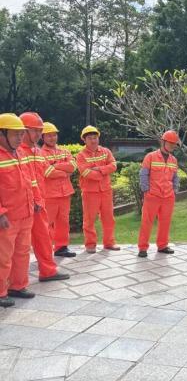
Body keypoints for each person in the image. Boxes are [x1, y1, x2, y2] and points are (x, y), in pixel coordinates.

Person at [19, 112, 70, 283]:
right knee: (18, 246)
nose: (38, 134)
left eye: (40, 131)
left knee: (44, 238)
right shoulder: (17, 152)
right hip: (22, 206)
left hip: (39, 204)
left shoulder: (37, 152)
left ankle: (48, 271)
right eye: (35, 130)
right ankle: (13, 283)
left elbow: (41, 178)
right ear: (23, 130)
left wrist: (39, 200)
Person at [0, 114, 38, 307]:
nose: (19, 138)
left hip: (25, 213)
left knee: (22, 252)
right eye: (15, 134)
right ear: (2, 134)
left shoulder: (21, 153)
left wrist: (36, 200)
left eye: (21, 134)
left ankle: (18, 286)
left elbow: (30, 180)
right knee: (3, 256)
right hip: (7, 217)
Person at [76, 125, 119, 253]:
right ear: (84, 140)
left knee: (109, 218)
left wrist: (99, 169)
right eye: (90, 138)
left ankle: (109, 243)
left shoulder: (106, 151)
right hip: (90, 192)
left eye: (95, 137)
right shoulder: (81, 155)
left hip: (106, 190)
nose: (93, 140)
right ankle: (90, 244)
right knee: (89, 219)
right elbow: (85, 172)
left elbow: (113, 165)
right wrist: (103, 173)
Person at [137, 130, 180, 258]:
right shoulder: (150, 157)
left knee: (165, 222)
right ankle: (142, 248)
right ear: (163, 142)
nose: (172, 146)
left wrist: (175, 189)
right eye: (170, 143)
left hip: (168, 196)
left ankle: (162, 246)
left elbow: (175, 177)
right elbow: (143, 174)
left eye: (174, 144)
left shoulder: (173, 160)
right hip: (152, 195)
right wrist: (146, 190)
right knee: (147, 222)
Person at [40, 122, 77, 258]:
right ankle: (45, 250)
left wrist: (56, 166)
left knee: (63, 221)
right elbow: (48, 172)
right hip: (49, 194)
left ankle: (61, 247)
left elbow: (73, 166)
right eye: (49, 135)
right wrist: (65, 172)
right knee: (46, 223)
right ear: (43, 137)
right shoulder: (40, 153)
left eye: (54, 135)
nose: (52, 138)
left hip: (65, 192)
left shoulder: (64, 151)